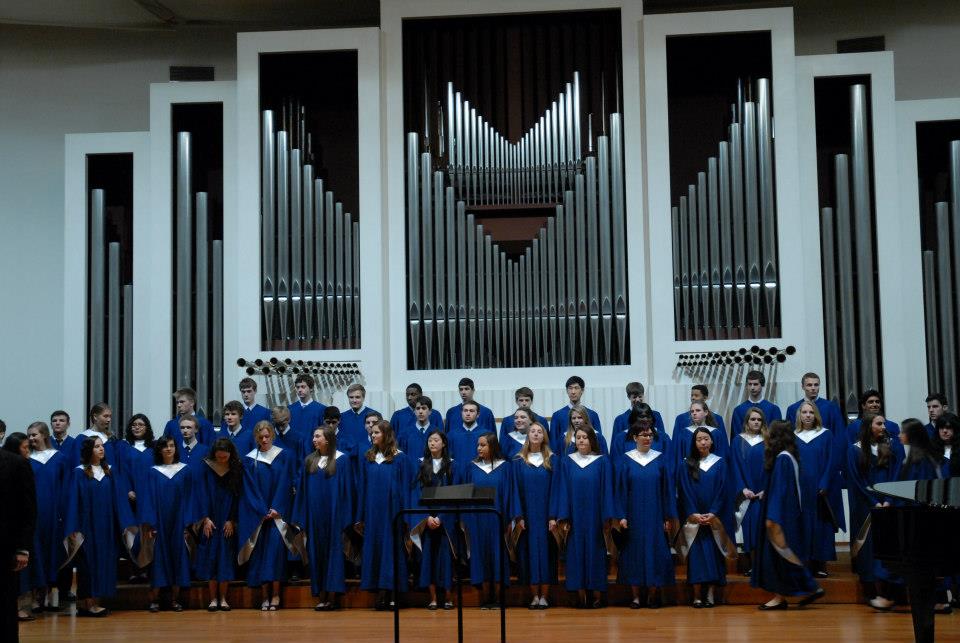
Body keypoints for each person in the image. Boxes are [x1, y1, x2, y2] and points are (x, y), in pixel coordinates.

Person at [751, 420, 824, 610]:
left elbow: (780, 491)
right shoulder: (789, 456)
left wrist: (772, 517)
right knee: (781, 557)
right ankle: (784, 595)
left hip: (780, 516)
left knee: (782, 555)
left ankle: (809, 586)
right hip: (786, 514)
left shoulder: (783, 459)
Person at [61, 436, 134, 618]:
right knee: (87, 564)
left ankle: (94, 602)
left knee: (104, 562)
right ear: (88, 450)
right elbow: (73, 502)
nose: (101, 449)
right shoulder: (79, 472)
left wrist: (125, 523)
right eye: (97, 447)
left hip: (107, 526)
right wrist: (73, 527)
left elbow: (118, 499)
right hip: (87, 526)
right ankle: (86, 603)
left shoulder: (109, 471)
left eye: (102, 446)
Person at [552, 425, 616, 608]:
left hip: (595, 517)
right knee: (576, 553)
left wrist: (607, 516)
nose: (580, 440)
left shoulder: (602, 462)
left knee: (595, 553)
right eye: (578, 437)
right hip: (575, 517)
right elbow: (563, 489)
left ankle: (596, 594)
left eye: (584, 437)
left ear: (592, 440)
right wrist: (564, 516)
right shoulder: (567, 461)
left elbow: (607, 490)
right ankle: (580, 595)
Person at [291, 425, 354, 611]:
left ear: (327, 439)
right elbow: (302, 491)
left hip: (334, 516)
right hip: (315, 516)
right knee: (316, 553)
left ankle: (333, 596)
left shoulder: (342, 460)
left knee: (333, 554)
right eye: (313, 436)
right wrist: (300, 517)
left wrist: (346, 517)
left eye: (317, 436)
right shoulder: (309, 461)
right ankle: (321, 595)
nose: (314, 439)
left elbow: (348, 491)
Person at [615, 420, 676, 609]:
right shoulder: (626, 459)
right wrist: (622, 515)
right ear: (634, 437)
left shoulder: (660, 459)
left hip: (655, 514)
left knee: (655, 552)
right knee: (634, 553)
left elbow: (667, 489)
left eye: (650, 435)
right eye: (643, 435)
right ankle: (635, 597)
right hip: (633, 515)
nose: (647, 438)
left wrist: (667, 516)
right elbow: (621, 489)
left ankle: (652, 594)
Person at [675, 427, 737, 608]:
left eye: (706, 439)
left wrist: (714, 512)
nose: (703, 442)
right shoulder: (686, 464)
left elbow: (723, 490)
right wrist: (693, 512)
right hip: (695, 519)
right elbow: (684, 491)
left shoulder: (720, 463)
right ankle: (696, 595)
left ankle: (710, 593)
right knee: (696, 557)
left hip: (713, 518)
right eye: (699, 439)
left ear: (711, 441)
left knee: (712, 556)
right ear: (694, 443)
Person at [354, 420, 413, 610]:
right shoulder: (368, 457)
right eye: (372, 433)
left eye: (377, 433)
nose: (373, 436)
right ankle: (380, 592)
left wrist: (405, 514)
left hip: (393, 511)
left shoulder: (400, 458)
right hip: (373, 512)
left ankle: (393, 593)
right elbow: (362, 487)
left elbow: (406, 487)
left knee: (392, 550)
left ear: (386, 435)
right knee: (376, 549)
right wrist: (360, 514)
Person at [846, 413, 902, 611]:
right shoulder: (855, 450)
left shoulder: (890, 447)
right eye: (879, 423)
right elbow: (856, 480)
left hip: (887, 504)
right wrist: (873, 501)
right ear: (869, 426)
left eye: (884, 423)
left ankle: (888, 591)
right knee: (867, 546)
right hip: (866, 505)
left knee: (887, 545)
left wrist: (888, 499)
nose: (884, 426)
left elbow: (896, 474)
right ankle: (870, 589)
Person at [238, 421, 296, 610]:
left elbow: (286, 483)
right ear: (256, 437)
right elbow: (249, 488)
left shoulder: (284, 455)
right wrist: (260, 510)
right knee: (261, 554)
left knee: (275, 554)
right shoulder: (249, 459)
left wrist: (277, 507)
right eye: (260, 437)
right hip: (259, 516)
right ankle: (264, 596)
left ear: (272, 435)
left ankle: (277, 595)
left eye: (267, 436)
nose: (264, 440)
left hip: (277, 515)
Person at [458, 432, 515, 609]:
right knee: (480, 557)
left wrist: (508, 520)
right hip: (477, 520)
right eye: (478, 445)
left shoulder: (505, 467)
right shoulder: (471, 467)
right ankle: (485, 598)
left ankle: (498, 598)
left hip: (497, 519)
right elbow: (465, 495)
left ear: (492, 446)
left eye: (483, 445)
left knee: (497, 556)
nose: (479, 448)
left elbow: (509, 495)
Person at [137, 436, 193, 612]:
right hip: (159, 523)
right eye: (165, 446)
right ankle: (154, 600)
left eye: (171, 446)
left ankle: (175, 600)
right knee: (159, 560)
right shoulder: (153, 472)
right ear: (159, 450)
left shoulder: (185, 471)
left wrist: (187, 524)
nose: (169, 449)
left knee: (178, 558)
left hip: (178, 522)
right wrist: (151, 524)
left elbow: (190, 498)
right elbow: (148, 499)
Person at [23, 423, 69, 613]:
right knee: (36, 553)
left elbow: (66, 487)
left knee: (53, 552)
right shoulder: (26, 460)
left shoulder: (59, 458)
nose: (31, 439)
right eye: (29, 436)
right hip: (34, 513)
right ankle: (36, 595)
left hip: (55, 514)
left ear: (44, 435)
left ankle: (52, 594)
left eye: (34, 435)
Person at [793, 400, 842, 578]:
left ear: (816, 415)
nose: (807, 415)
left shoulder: (825, 434)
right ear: (799, 415)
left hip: (821, 489)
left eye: (811, 412)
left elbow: (831, 461)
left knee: (821, 525)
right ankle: (805, 562)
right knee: (803, 525)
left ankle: (820, 563)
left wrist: (824, 482)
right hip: (801, 490)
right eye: (804, 412)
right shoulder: (793, 436)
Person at [512, 422, 557, 609]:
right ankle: (534, 596)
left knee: (546, 555)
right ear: (527, 435)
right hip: (527, 517)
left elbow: (557, 489)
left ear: (544, 435)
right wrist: (518, 515)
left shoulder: (553, 459)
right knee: (529, 555)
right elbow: (514, 490)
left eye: (539, 431)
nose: (536, 434)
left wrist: (554, 515)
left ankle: (544, 596)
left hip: (546, 517)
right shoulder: (518, 460)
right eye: (533, 431)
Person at [194, 438, 242, 612]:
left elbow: (239, 497)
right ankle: (213, 599)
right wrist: (204, 518)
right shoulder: (205, 467)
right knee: (211, 558)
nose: (222, 460)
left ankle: (224, 599)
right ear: (214, 453)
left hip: (227, 520)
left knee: (225, 559)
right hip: (210, 520)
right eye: (219, 457)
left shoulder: (236, 468)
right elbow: (199, 494)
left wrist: (232, 520)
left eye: (225, 457)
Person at [409, 431, 455, 610]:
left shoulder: (452, 465)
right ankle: (433, 598)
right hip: (426, 520)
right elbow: (416, 493)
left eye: (436, 440)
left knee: (445, 559)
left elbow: (455, 493)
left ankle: (449, 596)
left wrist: (441, 517)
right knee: (428, 558)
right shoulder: (420, 465)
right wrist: (426, 517)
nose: (432, 443)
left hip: (445, 520)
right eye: (430, 440)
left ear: (444, 443)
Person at [0, 435, 36, 641]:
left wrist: (23, 548)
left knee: (5, 603)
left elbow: (28, 509)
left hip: (5, 546)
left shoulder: (17, 463)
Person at [731, 408, 767, 576]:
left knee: (762, 528)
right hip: (746, 494)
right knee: (748, 528)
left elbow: (771, 467)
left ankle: (763, 565)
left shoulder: (767, 441)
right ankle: (752, 564)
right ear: (746, 421)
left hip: (762, 493)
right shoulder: (738, 441)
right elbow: (735, 467)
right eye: (753, 419)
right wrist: (742, 488)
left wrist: (766, 489)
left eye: (759, 419)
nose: (756, 422)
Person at [673, 401, 729, 474]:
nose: (694, 413)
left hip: (712, 473)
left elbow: (722, 456)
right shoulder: (683, 434)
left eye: (698, 410)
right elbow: (679, 457)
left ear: (706, 412)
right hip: (689, 473)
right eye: (692, 411)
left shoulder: (716, 433)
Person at [550, 376, 603, 448]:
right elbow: (553, 443)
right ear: (566, 390)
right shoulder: (557, 416)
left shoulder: (592, 415)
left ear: (582, 390)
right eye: (570, 388)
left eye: (576, 388)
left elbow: (598, 440)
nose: (573, 392)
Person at [845, 389, 902, 454]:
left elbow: (899, 452)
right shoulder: (854, 426)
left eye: (877, 402)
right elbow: (849, 449)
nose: (875, 404)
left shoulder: (892, 426)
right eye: (870, 402)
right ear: (863, 406)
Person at [731, 371, 782, 436]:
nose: (752, 388)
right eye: (750, 384)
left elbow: (778, 436)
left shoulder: (773, 409)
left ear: (762, 385)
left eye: (755, 384)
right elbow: (736, 437)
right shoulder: (738, 410)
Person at [71, 403, 118, 468]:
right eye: (105, 416)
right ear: (95, 417)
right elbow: (77, 464)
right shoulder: (82, 438)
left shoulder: (111, 438)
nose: (109, 420)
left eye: (110, 416)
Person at [398, 395, 440, 461]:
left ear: (430, 411)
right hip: (412, 470)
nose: (420, 411)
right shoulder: (405, 434)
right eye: (418, 408)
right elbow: (402, 458)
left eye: (424, 408)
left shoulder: (437, 433)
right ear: (414, 411)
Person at [340, 383, 380, 448]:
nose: (354, 400)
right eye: (351, 397)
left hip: (369, 455)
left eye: (357, 397)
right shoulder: (342, 417)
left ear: (363, 398)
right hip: (348, 456)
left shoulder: (375, 416)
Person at [932, 413, 960, 479]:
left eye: (948, 427)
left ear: (955, 429)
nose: (944, 431)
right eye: (941, 427)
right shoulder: (932, 448)